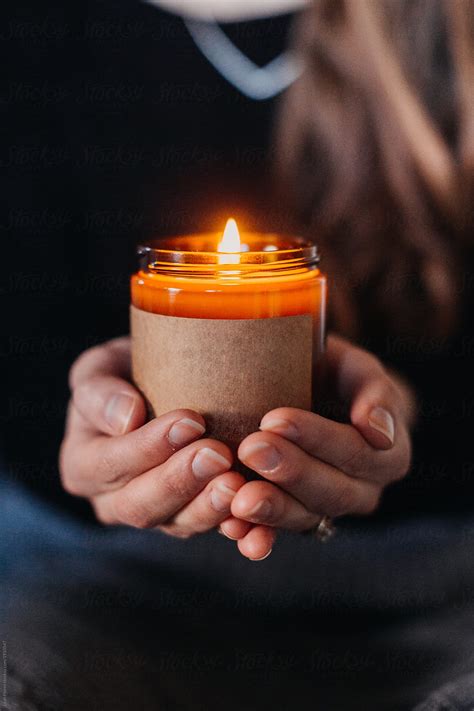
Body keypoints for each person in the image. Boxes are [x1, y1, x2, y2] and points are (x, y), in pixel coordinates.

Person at [3, 0, 474, 709]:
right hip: (100, 577)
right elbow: (24, 385)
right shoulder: (34, 32)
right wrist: (83, 441)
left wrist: (399, 428)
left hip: (439, 575)